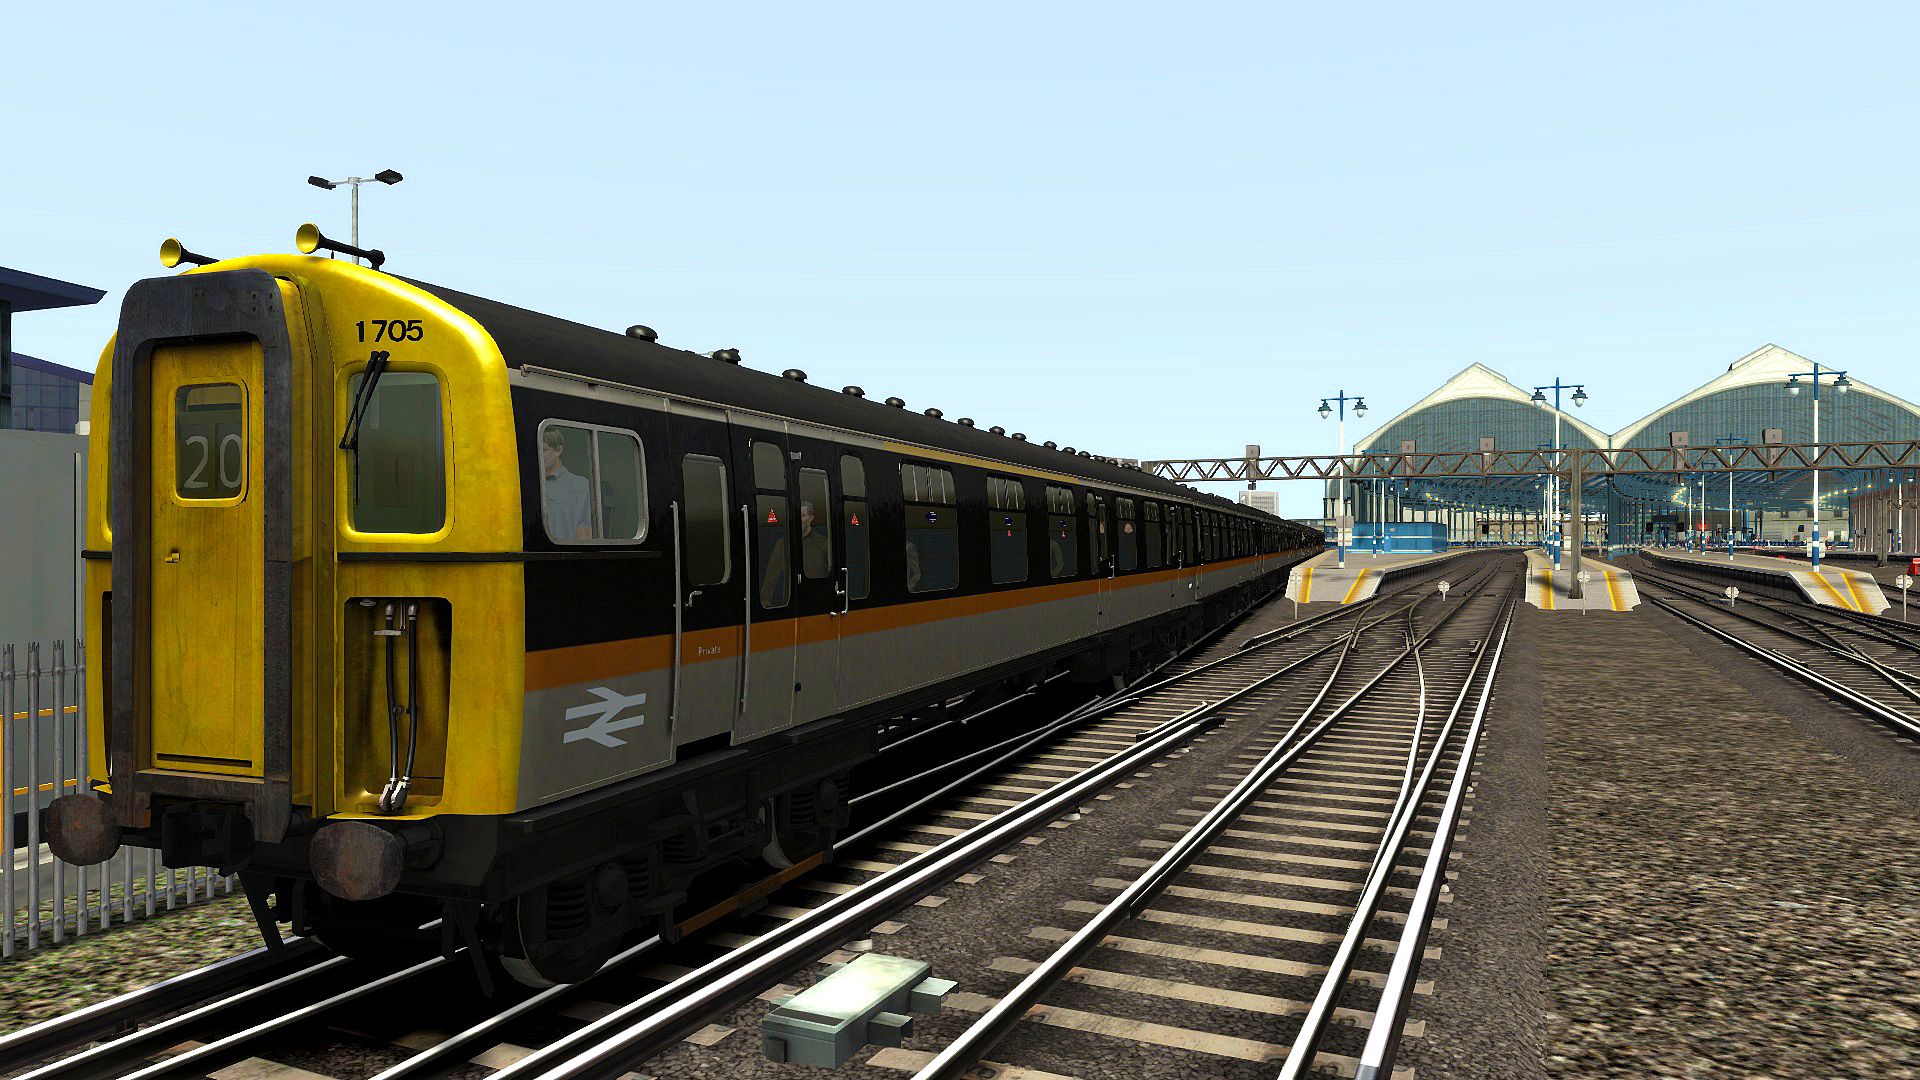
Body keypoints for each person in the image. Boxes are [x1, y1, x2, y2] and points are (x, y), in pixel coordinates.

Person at [541, 427, 592, 540]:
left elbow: (585, 532)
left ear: (558, 450)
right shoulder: (531, 485)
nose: (539, 455)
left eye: (544, 450)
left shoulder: (579, 485)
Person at [799, 501, 832, 579]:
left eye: (802, 516)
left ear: (811, 518)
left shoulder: (825, 543)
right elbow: (771, 578)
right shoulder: (783, 544)